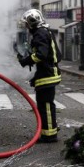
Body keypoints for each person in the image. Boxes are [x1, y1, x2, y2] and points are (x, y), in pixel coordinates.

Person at [17, 9, 62, 143]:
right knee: (44, 104)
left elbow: (41, 55)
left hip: (48, 75)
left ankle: (49, 135)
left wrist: (26, 61)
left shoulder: (40, 33)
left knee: (46, 105)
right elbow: (51, 56)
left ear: (32, 22)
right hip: (47, 73)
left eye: (27, 23)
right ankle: (47, 131)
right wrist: (37, 77)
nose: (26, 26)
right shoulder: (44, 31)